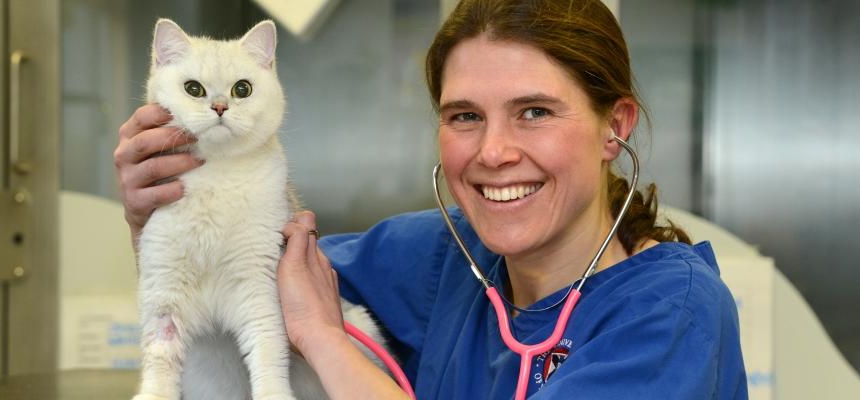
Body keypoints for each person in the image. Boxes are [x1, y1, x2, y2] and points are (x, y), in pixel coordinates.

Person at [114, 0, 748, 398]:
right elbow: (238, 288)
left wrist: (326, 341)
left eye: (534, 111)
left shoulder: (673, 317)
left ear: (616, 127)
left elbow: (306, 319)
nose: (494, 151)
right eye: (465, 116)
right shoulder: (439, 259)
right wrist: (163, 212)